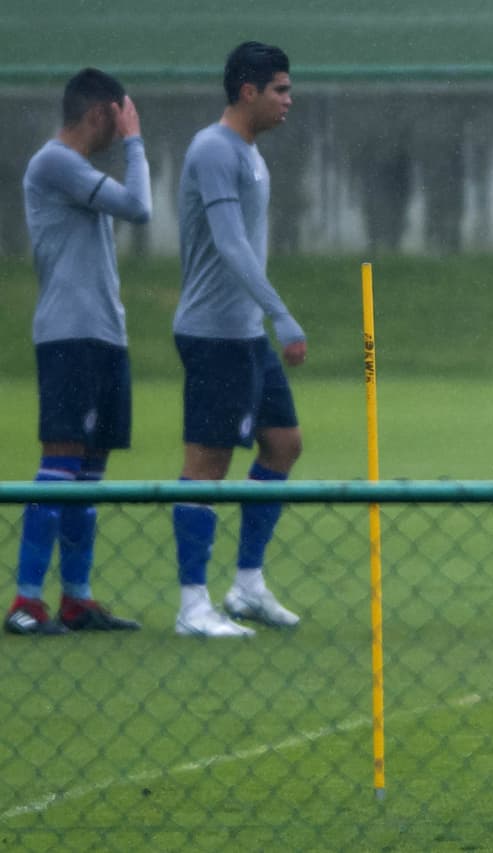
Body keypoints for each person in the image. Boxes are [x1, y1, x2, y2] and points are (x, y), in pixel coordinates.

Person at [5, 69, 152, 636]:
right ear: (100, 115)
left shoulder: (78, 170)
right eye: (121, 118)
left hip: (103, 335)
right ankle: (26, 602)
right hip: (69, 334)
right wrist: (137, 142)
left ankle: (77, 599)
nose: (122, 131)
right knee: (61, 461)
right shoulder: (54, 163)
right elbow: (140, 207)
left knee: (90, 470)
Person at [170, 41, 306, 638]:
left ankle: (247, 585)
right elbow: (230, 247)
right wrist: (283, 315)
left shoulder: (250, 153)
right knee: (208, 464)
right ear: (247, 91)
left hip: (245, 333)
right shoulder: (212, 150)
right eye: (279, 88)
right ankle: (192, 603)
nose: (288, 100)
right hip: (214, 333)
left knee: (283, 444)